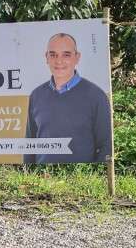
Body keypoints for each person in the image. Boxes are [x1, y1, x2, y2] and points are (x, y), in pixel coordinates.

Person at [23, 32, 111, 164]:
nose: (59, 61)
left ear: (77, 57)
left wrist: (93, 179)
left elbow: (106, 145)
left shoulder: (96, 96)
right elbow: (30, 145)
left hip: (82, 181)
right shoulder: (36, 95)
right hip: (43, 181)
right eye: (53, 55)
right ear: (46, 57)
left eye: (66, 55)